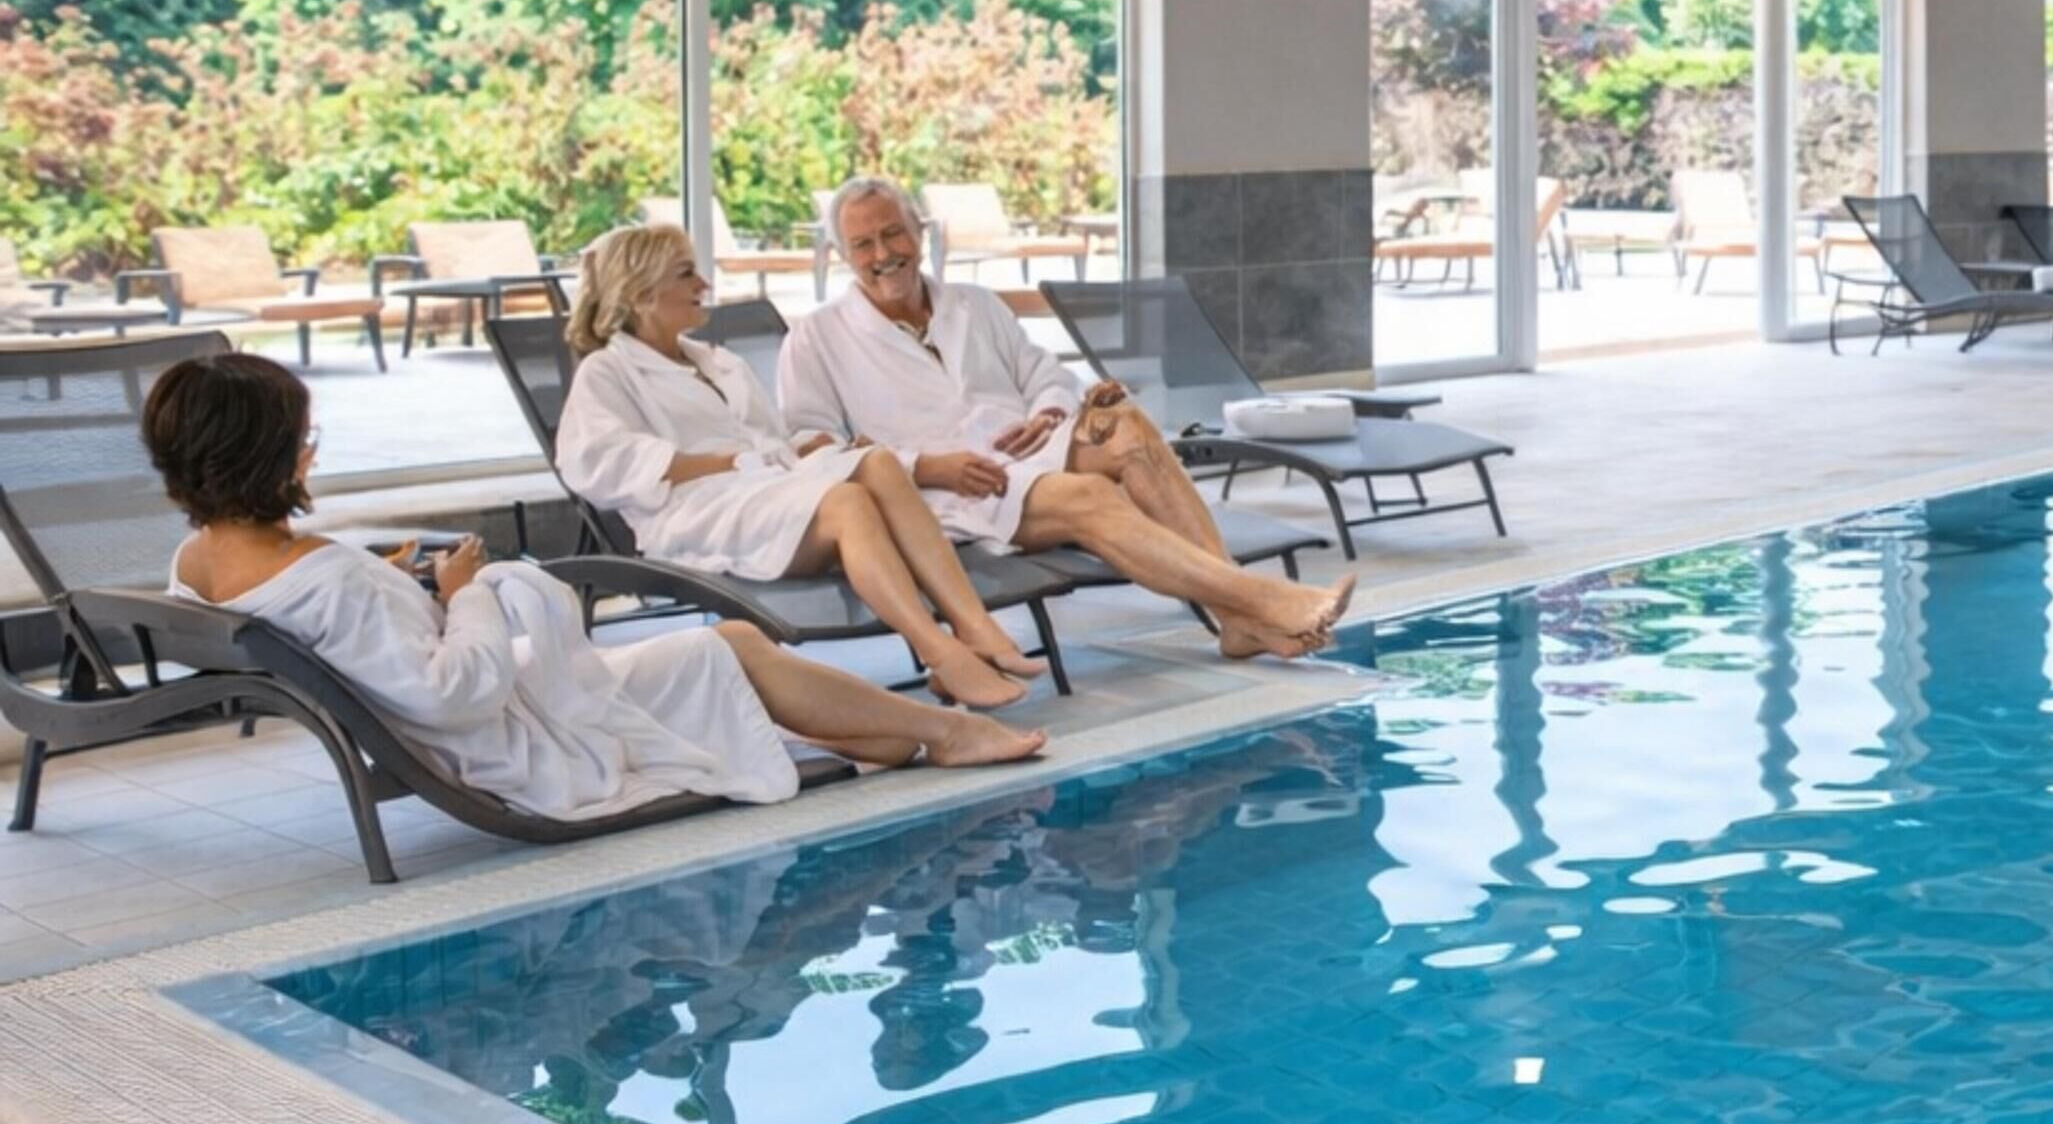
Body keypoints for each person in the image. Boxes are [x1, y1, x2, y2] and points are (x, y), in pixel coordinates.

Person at [149, 353, 1045, 822]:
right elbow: (454, 693)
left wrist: (397, 588)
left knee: (711, 660)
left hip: (484, 713)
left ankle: (869, 737)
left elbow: (347, 627)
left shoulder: (201, 561)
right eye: (304, 437)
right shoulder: (320, 574)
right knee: (721, 645)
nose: (313, 449)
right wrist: (463, 589)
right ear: (263, 457)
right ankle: (948, 730)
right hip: (511, 741)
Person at [778, 178, 1351, 661]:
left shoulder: (975, 304)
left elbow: (1044, 374)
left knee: (1126, 423)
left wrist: (1047, 413)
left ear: (919, 233)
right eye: (863, 244)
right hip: (941, 492)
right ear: (842, 256)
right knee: (1089, 498)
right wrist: (923, 467)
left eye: (892, 233)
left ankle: (1236, 614)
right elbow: (810, 445)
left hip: (1028, 450)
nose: (883, 255)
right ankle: (1262, 601)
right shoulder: (816, 336)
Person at [555, 223, 1046, 710]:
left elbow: (770, 441)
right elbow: (595, 461)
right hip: (694, 512)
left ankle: (975, 627)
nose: (703, 285)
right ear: (641, 291)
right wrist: (732, 461)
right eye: (686, 274)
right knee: (846, 502)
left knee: (875, 462)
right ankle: (940, 653)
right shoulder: (608, 370)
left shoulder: (716, 361)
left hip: (765, 489)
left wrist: (813, 447)